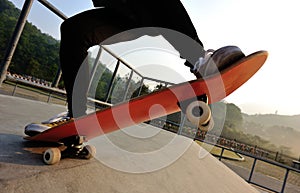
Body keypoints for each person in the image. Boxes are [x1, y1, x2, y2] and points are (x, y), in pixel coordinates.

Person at [25, 0, 244, 136]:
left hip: (150, 7)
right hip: (121, 12)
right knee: (74, 30)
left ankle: (200, 62)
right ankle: (77, 117)